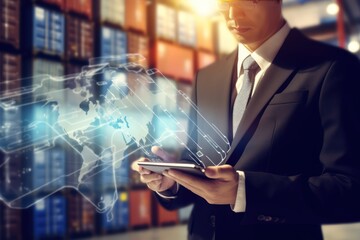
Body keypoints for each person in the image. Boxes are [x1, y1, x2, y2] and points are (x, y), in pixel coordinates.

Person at [132, 0, 360, 239]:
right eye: (223, 4)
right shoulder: (207, 78)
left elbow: (350, 189)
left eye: (246, 2)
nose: (232, 16)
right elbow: (200, 163)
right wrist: (172, 181)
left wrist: (245, 191)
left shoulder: (332, 69)